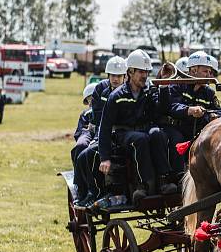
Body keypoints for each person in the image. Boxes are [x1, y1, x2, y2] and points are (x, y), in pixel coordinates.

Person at [97, 49, 173, 205]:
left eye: (147, 72)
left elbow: (162, 109)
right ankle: (142, 186)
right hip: (123, 134)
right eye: (141, 72)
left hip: (145, 129)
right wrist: (105, 158)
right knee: (140, 139)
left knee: (158, 133)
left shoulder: (149, 90)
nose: (145, 75)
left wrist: (164, 87)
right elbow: (104, 127)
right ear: (130, 72)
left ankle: (165, 181)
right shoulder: (116, 96)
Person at [73, 56, 128, 207]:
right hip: (104, 134)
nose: (115, 79)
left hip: (121, 135)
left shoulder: (129, 91)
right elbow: (98, 118)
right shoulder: (101, 89)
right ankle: (88, 191)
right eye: (112, 75)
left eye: (118, 76)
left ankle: (96, 192)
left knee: (90, 154)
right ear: (108, 75)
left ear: (125, 76)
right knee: (83, 153)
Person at [164, 51, 221, 170]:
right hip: (177, 129)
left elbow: (219, 112)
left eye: (210, 72)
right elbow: (171, 106)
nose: (209, 75)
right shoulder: (177, 84)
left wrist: (212, 116)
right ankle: (178, 176)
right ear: (194, 70)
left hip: (198, 130)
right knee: (177, 139)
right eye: (205, 71)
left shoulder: (209, 93)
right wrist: (189, 110)